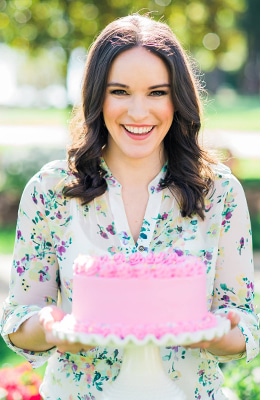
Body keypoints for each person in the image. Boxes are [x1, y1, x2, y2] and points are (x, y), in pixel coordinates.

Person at [0, 12, 259, 400]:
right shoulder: (50, 191)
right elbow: (18, 320)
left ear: (179, 97)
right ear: (96, 95)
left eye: (158, 92)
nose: (139, 113)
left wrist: (218, 334)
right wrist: (50, 327)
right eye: (119, 91)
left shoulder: (218, 191)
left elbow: (248, 326)